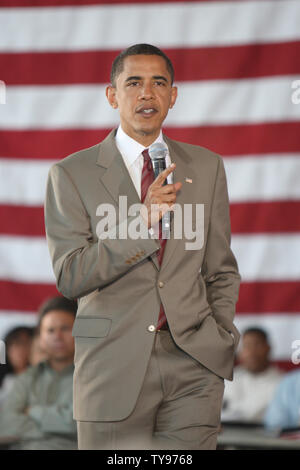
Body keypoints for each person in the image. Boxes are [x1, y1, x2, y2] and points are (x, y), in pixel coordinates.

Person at [45, 43, 241, 450]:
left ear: (173, 95)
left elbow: (220, 269)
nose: (146, 93)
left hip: (195, 364)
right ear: (112, 95)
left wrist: (220, 335)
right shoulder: (71, 173)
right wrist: (141, 221)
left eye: (158, 83)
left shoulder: (207, 167)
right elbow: (71, 275)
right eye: (133, 82)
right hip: (111, 366)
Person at [0, 296, 77, 450]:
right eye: (50, 330)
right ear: (40, 337)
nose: (57, 337)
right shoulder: (26, 378)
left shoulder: (91, 378)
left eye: (65, 328)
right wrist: (58, 424)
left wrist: (33, 411)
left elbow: (78, 427)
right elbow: (5, 425)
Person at [221, 327, 282, 423]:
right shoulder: (227, 379)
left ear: (268, 348)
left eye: (257, 345)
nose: (252, 352)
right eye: (247, 346)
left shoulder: (283, 383)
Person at [0, 326, 34, 407]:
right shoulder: (6, 378)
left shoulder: (41, 378)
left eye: (25, 343)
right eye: (13, 344)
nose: (19, 350)